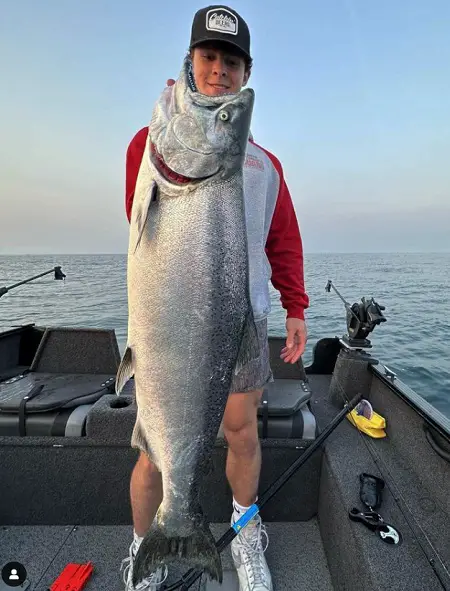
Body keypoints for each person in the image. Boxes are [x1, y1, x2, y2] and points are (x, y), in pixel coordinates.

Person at [120, 5, 309, 591]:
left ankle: (244, 535)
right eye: (209, 56)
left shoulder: (266, 167)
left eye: (231, 61)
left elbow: (284, 240)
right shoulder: (146, 147)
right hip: (171, 328)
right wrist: (172, 130)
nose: (219, 70)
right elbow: (142, 237)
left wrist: (296, 306)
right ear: (190, 62)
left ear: (246, 73)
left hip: (241, 322)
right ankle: (145, 543)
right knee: (155, 451)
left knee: (242, 433)